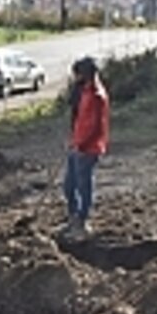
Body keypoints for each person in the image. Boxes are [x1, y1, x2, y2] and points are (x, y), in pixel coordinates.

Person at [63, 57, 110, 239]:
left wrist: (80, 144)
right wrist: (72, 138)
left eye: (77, 74)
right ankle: (73, 216)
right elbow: (77, 118)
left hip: (88, 148)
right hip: (77, 144)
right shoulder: (82, 91)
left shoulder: (97, 95)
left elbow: (95, 126)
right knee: (69, 186)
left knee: (83, 185)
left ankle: (82, 220)